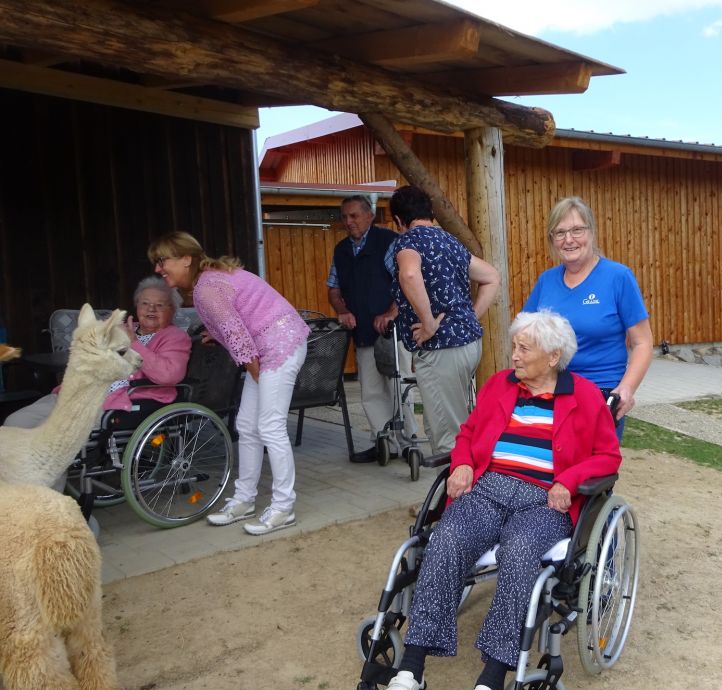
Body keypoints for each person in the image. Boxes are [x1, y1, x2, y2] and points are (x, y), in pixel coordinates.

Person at [371, 310, 621, 690]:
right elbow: (468, 433)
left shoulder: (583, 395)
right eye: (515, 347)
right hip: (487, 488)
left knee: (521, 553)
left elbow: (608, 457)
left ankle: (489, 684)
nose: (514, 356)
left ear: (553, 356)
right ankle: (409, 673)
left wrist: (569, 480)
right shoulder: (500, 385)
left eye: (524, 349)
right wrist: (463, 463)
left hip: (543, 500)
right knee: (446, 539)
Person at [148, 231, 310, 536]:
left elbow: (238, 336)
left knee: (270, 426)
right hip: (269, 343)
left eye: (162, 261)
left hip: (279, 344)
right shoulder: (207, 281)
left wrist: (258, 375)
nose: (158, 268)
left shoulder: (206, 288)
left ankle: (283, 507)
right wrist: (218, 333)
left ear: (186, 259)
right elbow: (236, 318)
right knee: (247, 425)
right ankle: (244, 500)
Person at [4, 275, 192, 453]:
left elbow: (169, 375)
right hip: (80, 394)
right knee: (15, 423)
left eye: (160, 305)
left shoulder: (175, 337)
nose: (151, 309)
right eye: (145, 303)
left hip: (120, 402)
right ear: (137, 306)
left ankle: (41, 474)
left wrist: (133, 343)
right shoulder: (121, 329)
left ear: (172, 310)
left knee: (47, 437)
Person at [523, 196, 653, 436]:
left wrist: (626, 389)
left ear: (591, 232)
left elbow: (642, 342)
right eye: (560, 233)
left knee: (591, 461)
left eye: (577, 230)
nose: (568, 239)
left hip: (599, 395)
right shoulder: (546, 281)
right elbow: (525, 336)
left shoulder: (618, 277)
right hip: (550, 392)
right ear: (552, 240)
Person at [388, 185, 500, 454]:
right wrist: (469, 317)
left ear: (399, 221)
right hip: (468, 344)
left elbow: (409, 275)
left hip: (441, 348)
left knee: (448, 436)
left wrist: (428, 323)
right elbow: (491, 277)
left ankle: (459, 480)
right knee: (455, 421)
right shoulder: (450, 241)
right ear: (430, 213)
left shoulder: (408, 242)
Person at [327, 195, 415, 462]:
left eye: (354, 215)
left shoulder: (388, 242)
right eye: (344, 217)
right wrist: (342, 310)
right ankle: (383, 442)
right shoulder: (341, 250)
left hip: (393, 331)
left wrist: (391, 313)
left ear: (370, 216)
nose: (348, 221)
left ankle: (408, 442)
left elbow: (405, 282)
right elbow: (334, 289)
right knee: (371, 390)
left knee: (399, 387)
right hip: (363, 331)